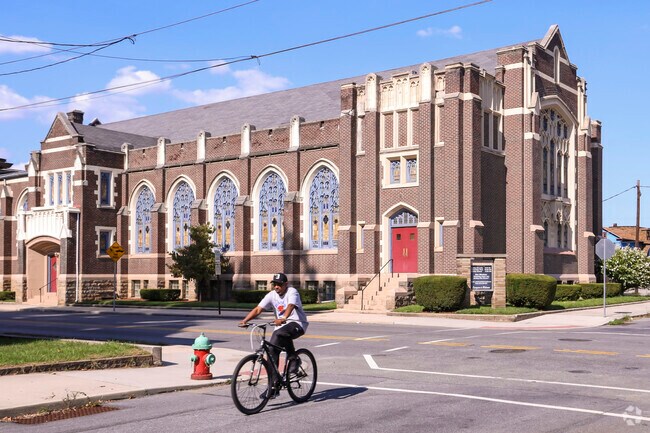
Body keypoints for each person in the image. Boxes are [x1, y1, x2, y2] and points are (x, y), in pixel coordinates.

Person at [239, 272, 309, 398]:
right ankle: (273, 386)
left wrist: (283, 317)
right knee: (271, 351)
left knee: (279, 333)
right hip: (281, 327)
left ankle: (294, 359)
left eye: (279, 284)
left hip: (298, 324)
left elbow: (291, 305)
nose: (276, 287)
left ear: (285, 284)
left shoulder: (292, 292)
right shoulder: (272, 295)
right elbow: (258, 309)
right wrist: (245, 320)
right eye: (275, 284)